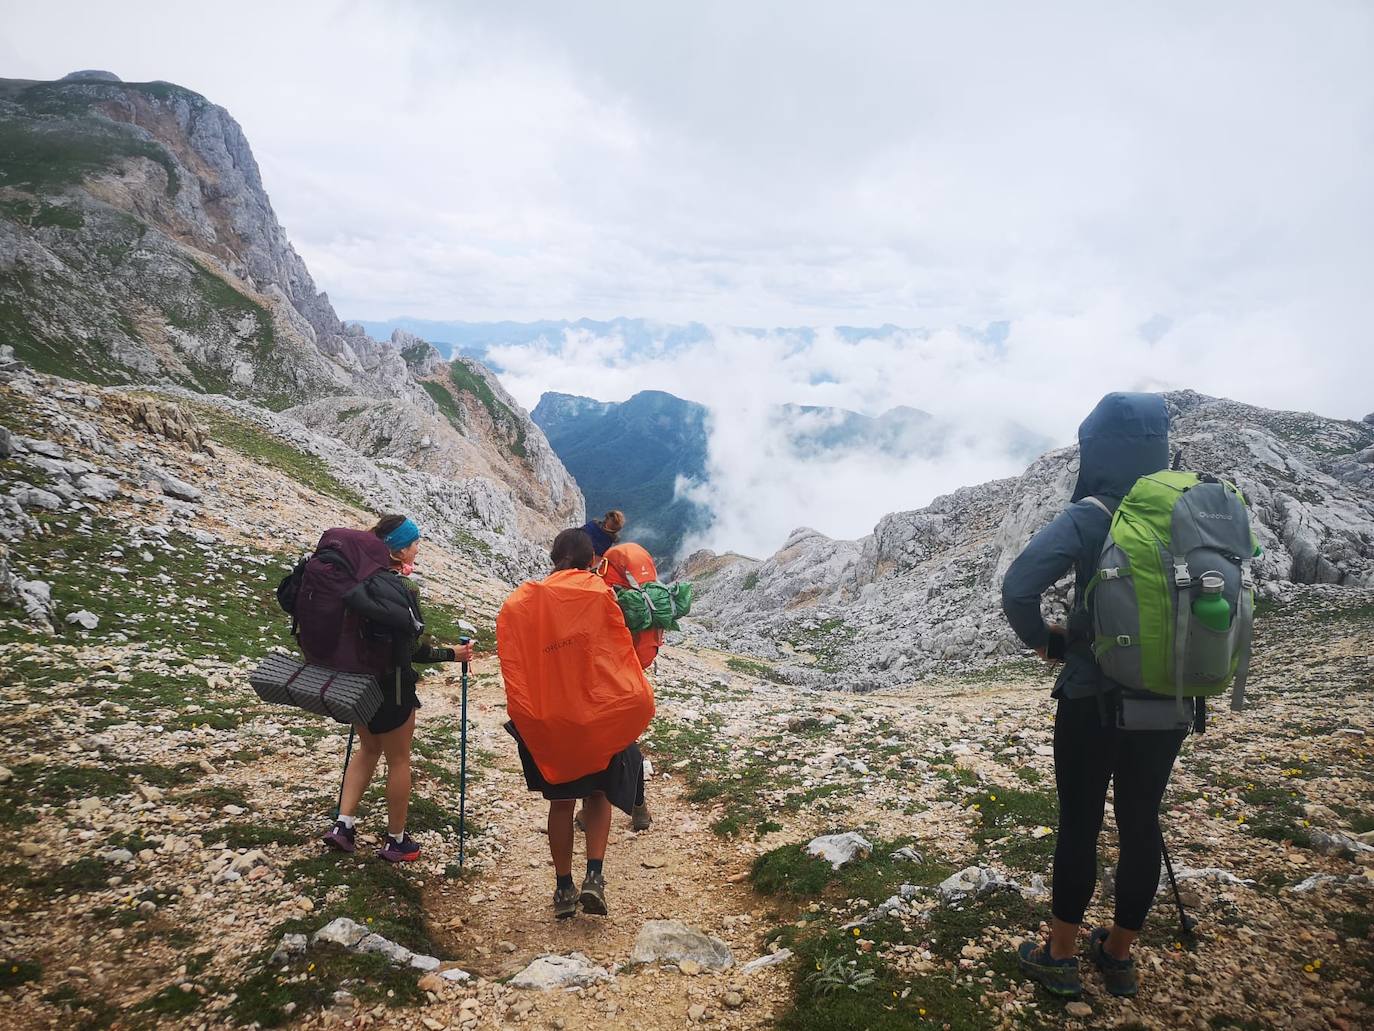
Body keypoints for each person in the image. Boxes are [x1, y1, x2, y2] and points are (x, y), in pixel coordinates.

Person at [1001, 393, 1183, 1000]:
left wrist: (1052, 643)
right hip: (1172, 699)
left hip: (1092, 697)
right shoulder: (1196, 508)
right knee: (1141, 822)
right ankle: (1119, 955)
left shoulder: (1095, 512)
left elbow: (1019, 587)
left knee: (1079, 823)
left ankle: (1059, 956)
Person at [498, 528, 652, 919]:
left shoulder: (521, 602)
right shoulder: (601, 594)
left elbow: (516, 665)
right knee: (597, 795)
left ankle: (563, 887)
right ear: (591, 561)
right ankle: (594, 878)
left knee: (561, 803)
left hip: (551, 721)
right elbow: (620, 652)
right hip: (599, 716)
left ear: (554, 558)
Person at [321, 515, 474, 862]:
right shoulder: (401, 589)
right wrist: (452, 654)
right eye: (415, 543)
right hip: (394, 687)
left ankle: (343, 825)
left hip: (357, 681)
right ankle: (396, 840)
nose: (418, 548)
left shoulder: (357, 579)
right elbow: (409, 651)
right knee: (399, 760)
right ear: (400, 551)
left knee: (367, 749)